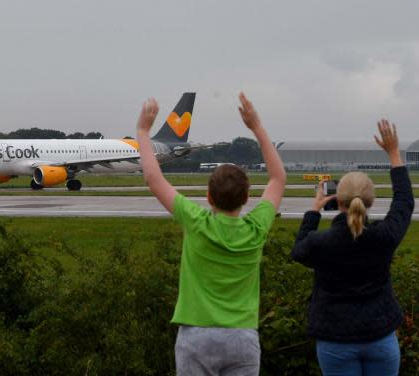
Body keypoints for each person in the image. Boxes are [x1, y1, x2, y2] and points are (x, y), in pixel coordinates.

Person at [136, 92, 286, 375]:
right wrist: (257, 127)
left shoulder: (197, 222)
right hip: (241, 336)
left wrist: (143, 131)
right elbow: (278, 178)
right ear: (246, 199)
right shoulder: (256, 228)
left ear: (208, 196)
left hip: (197, 334)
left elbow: (153, 178)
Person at [291, 120, 414, 376]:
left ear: (337, 200)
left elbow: (299, 251)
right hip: (380, 336)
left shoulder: (320, 243)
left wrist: (314, 211)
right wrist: (393, 153)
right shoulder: (384, 237)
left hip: (335, 339)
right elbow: (404, 202)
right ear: (371, 200)